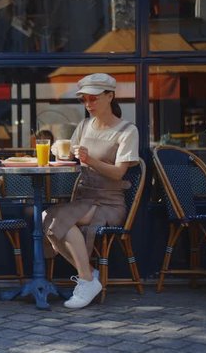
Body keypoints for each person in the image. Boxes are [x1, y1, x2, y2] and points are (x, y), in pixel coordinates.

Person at [42, 73, 139, 309]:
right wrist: (59, 151)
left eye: (93, 99)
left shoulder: (127, 130)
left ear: (110, 96)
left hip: (109, 204)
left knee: (58, 219)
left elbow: (118, 173)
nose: (88, 104)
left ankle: (86, 280)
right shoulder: (84, 125)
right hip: (83, 198)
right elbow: (73, 158)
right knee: (46, 217)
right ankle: (90, 274)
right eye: (84, 99)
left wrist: (90, 160)